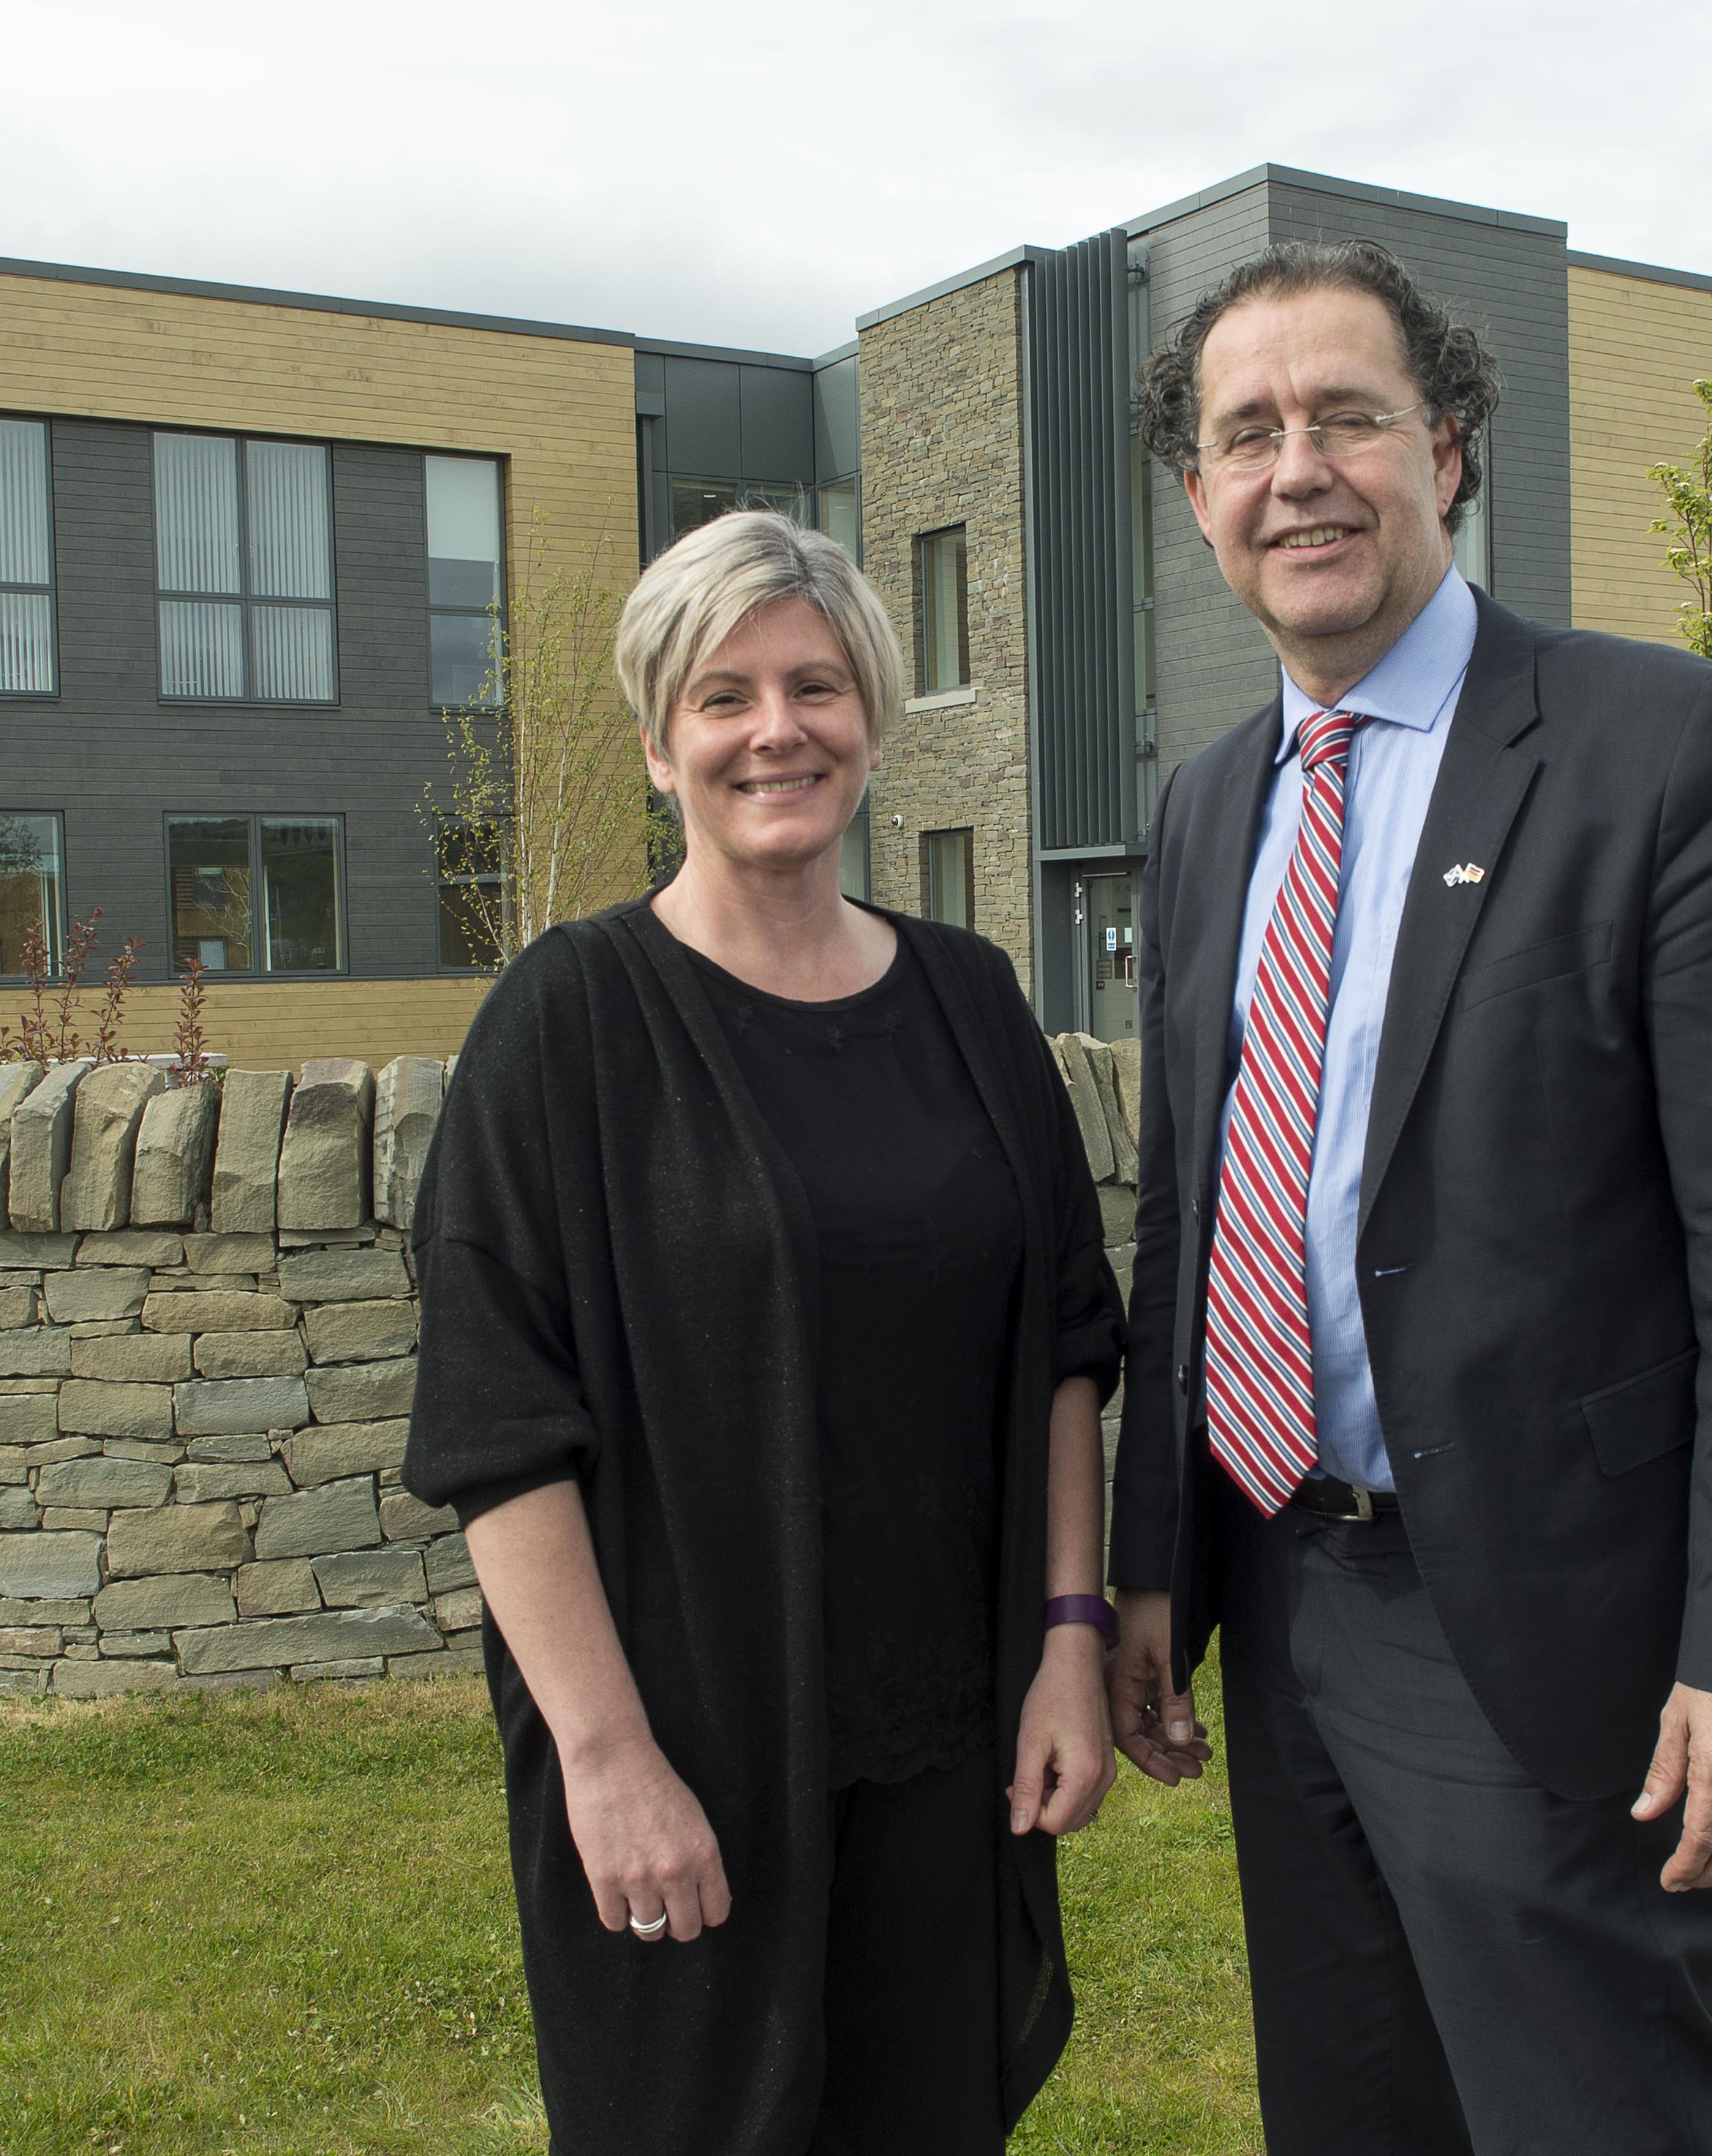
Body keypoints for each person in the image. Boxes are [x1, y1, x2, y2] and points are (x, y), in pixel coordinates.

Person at [1101, 238, 1712, 2153]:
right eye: (1244, 434)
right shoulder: (1208, 804)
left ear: (1442, 449)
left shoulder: (1661, 746)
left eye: (1344, 417)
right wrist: (1148, 1561)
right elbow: (1184, 1207)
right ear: (1194, 499)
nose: (1297, 470)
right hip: (1282, 1595)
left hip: (1545, 1622)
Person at [403, 509, 1127, 2155]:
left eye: (815, 684)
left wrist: (1069, 1643)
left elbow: (1070, 1345)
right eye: (723, 697)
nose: (775, 728)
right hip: (693, 1753)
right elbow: (495, 1426)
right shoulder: (568, 1022)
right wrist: (607, 1759)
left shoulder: (972, 997)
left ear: (870, 714)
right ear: (660, 745)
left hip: (948, 1742)